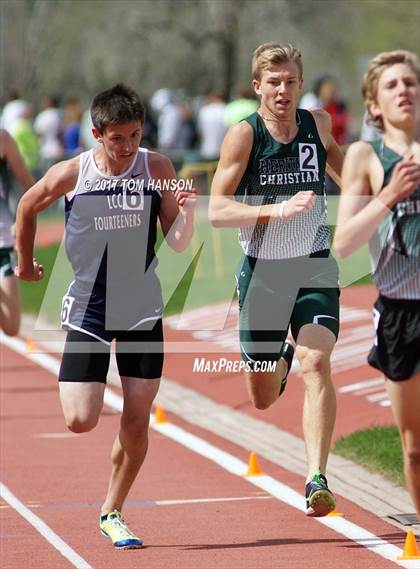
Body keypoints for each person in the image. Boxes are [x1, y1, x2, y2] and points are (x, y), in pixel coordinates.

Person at [15, 84, 197, 547]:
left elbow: (176, 243)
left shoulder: (156, 168)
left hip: (141, 311)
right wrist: (24, 262)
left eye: (135, 135)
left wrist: (187, 214)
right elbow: (26, 206)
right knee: (80, 420)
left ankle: (112, 510)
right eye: (118, 138)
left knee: (137, 421)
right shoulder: (72, 173)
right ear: (97, 133)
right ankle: (95, 391)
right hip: (89, 310)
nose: (128, 146)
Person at [209, 43, 344, 517]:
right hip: (263, 274)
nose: (283, 90)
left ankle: (316, 478)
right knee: (263, 397)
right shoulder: (243, 137)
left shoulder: (317, 125)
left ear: (300, 84)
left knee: (318, 364)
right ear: (257, 86)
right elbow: (217, 210)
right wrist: (274, 208)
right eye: (274, 82)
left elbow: (350, 173)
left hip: (314, 265)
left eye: (290, 81)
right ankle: (278, 358)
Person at [334, 50, 420, 518]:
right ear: (373, 105)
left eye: (410, 82)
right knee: (413, 449)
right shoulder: (367, 156)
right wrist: (389, 195)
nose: (403, 90)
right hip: (400, 312)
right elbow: (344, 243)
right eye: (391, 85)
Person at [0, 129, 34, 335]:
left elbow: (29, 184)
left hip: (2, 242)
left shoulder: (2, 139)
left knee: (12, 327)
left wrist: (22, 219)